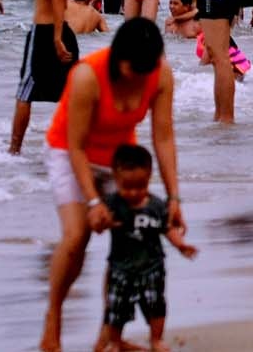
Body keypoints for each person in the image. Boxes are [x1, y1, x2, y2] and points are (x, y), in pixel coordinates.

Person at [41, 19, 180, 352]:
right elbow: (75, 146)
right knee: (77, 237)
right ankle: (53, 318)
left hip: (118, 160)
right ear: (119, 57)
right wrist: (93, 202)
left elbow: (162, 137)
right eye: (135, 68)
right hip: (70, 153)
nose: (141, 76)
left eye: (149, 68)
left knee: (128, 243)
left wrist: (174, 196)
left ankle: (109, 335)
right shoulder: (88, 75)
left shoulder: (159, 74)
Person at [98, 143, 196, 352]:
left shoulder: (156, 205)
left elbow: (166, 228)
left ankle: (156, 339)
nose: (134, 193)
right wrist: (102, 222)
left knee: (156, 306)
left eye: (140, 187)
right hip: (120, 268)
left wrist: (180, 245)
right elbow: (96, 224)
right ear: (116, 178)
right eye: (127, 187)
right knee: (116, 308)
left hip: (152, 266)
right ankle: (115, 341)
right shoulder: (113, 204)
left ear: (149, 177)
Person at [10, 0, 78, 155]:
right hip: (63, 28)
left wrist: (57, 38)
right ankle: (71, 146)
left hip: (46, 32)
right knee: (67, 93)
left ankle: (14, 151)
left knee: (25, 92)